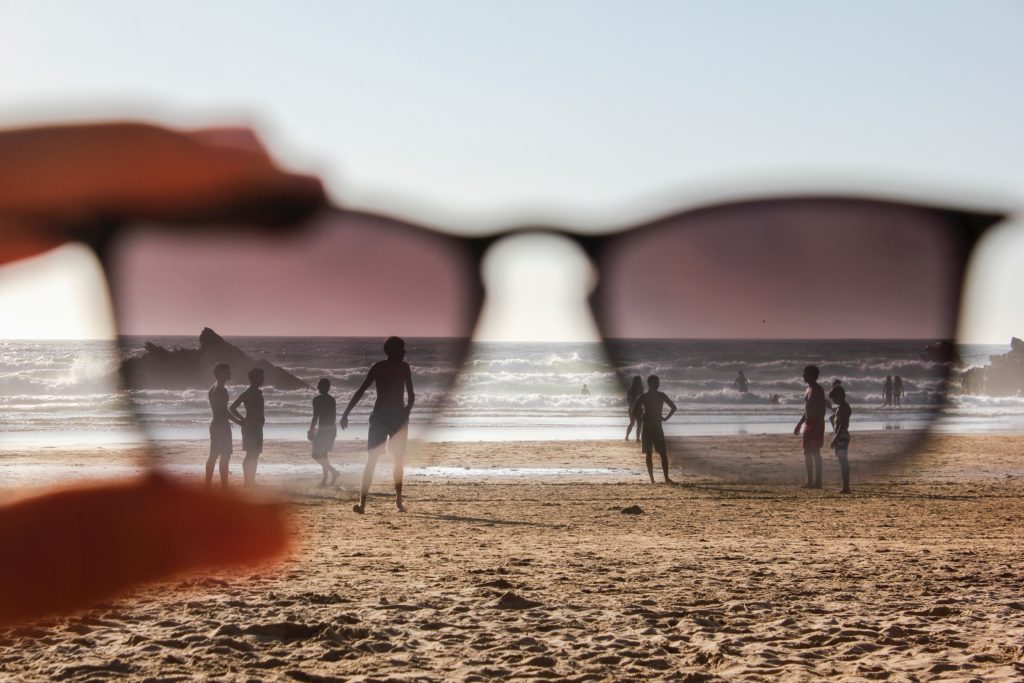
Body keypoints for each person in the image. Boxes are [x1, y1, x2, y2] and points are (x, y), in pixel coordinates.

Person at [0, 122, 323, 626]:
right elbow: (232, 404)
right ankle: (224, 490)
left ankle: (228, 487)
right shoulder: (225, 385)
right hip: (228, 428)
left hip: (233, 427)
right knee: (227, 461)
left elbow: (233, 402)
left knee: (232, 461)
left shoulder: (224, 384)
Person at [341, 336, 415, 513]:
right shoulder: (392, 367)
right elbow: (410, 396)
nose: (404, 352)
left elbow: (361, 391)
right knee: (388, 460)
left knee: (382, 460)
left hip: (386, 416)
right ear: (394, 351)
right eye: (402, 349)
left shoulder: (386, 367)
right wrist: (406, 411)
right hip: (392, 416)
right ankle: (383, 503)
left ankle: (380, 502)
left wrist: (346, 413)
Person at [631, 375, 677, 484]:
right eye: (656, 383)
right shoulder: (660, 395)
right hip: (656, 426)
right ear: (651, 384)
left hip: (648, 426)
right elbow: (673, 408)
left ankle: (654, 479)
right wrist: (665, 418)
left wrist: (640, 417)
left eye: (658, 383)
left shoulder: (644, 396)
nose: (658, 385)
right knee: (661, 453)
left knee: (651, 453)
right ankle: (663, 478)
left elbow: (634, 411)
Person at [206, 363, 241, 489]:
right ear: (221, 374)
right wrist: (240, 422)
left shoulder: (212, 389)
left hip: (215, 424)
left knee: (213, 456)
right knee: (225, 456)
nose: (230, 373)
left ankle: (208, 485)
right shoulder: (222, 390)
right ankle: (224, 487)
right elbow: (224, 411)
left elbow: (220, 410)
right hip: (222, 427)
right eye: (228, 371)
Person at [230, 368, 266, 487]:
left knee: (255, 454)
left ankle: (252, 481)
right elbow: (232, 408)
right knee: (250, 454)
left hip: (258, 426)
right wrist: (243, 420)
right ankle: (247, 482)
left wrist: (262, 418)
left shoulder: (259, 392)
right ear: (254, 378)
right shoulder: (247, 393)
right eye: (260, 376)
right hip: (250, 426)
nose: (263, 379)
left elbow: (260, 408)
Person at [793, 365, 826, 489]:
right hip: (808, 423)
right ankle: (809, 481)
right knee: (807, 451)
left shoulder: (818, 390)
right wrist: (799, 424)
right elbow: (807, 410)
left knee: (815, 452)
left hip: (816, 423)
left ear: (812, 375)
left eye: (805, 374)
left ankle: (818, 482)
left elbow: (821, 409)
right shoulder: (808, 389)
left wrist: (817, 425)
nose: (803, 376)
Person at [308, 378, 340, 487]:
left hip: (323, 429)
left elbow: (315, 417)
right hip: (331, 428)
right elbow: (333, 417)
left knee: (316, 455)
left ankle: (333, 473)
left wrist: (311, 430)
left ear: (320, 387)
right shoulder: (332, 399)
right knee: (324, 455)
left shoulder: (317, 400)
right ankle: (325, 480)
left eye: (319, 385)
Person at [828, 384, 853, 494]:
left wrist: (835, 438)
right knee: (841, 460)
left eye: (834, 398)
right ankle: (845, 486)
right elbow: (835, 420)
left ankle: (846, 487)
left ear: (840, 396)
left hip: (842, 436)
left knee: (843, 461)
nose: (833, 400)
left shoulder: (844, 408)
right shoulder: (841, 407)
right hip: (841, 435)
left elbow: (842, 425)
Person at [625, 375, 644, 442]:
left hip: (632, 408)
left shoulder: (630, 389)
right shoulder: (641, 388)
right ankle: (637, 438)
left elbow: (627, 399)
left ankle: (627, 437)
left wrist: (631, 405)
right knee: (639, 424)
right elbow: (642, 398)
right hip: (638, 408)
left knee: (632, 423)